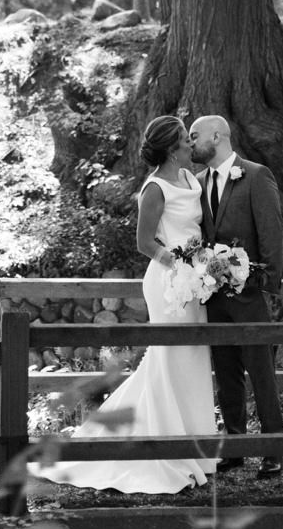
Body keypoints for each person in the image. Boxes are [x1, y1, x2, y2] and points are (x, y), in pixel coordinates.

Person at [28, 115, 220, 494]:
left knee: (193, 358)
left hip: (196, 281)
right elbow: (144, 243)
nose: (190, 146)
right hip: (169, 282)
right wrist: (181, 265)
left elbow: (197, 229)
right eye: (184, 140)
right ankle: (163, 449)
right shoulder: (154, 188)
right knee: (169, 358)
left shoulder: (189, 180)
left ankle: (195, 448)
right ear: (170, 148)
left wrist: (203, 266)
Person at [189, 113, 283, 479]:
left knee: (262, 373)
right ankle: (234, 446)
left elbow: (272, 236)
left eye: (195, 136)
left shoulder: (256, 175)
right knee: (226, 373)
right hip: (213, 297)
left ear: (218, 136)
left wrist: (265, 287)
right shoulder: (198, 183)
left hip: (250, 296)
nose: (190, 142)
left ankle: (273, 449)